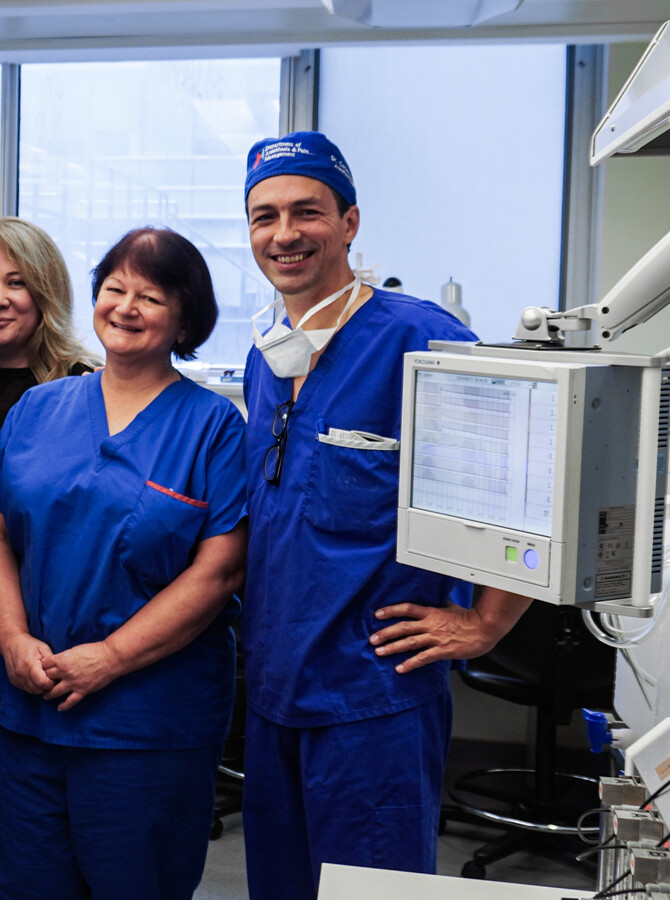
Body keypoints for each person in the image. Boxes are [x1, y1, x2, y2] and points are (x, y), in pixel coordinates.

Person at [235, 131, 532, 900]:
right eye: (265, 216)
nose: (285, 233)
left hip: (371, 701)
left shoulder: (419, 338)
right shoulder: (267, 359)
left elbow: (526, 481)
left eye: (307, 211)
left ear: (350, 223)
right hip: (274, 696)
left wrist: (489, 622)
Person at [0, 226, 248, 900]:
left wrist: (112, 657)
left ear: (186, 317)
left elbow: (220, 571)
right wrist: (11, 640)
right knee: (26, 884)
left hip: (147, 724)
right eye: (114, 290)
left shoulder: (212, 426)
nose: (125, 307)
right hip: (30, 710)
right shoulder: (40, 408)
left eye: (149, 296)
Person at [0, 216, 99, 900]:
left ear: (46, 292)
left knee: (67, 826)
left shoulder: (92, 387)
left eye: (16, 282)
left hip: (64, 637)